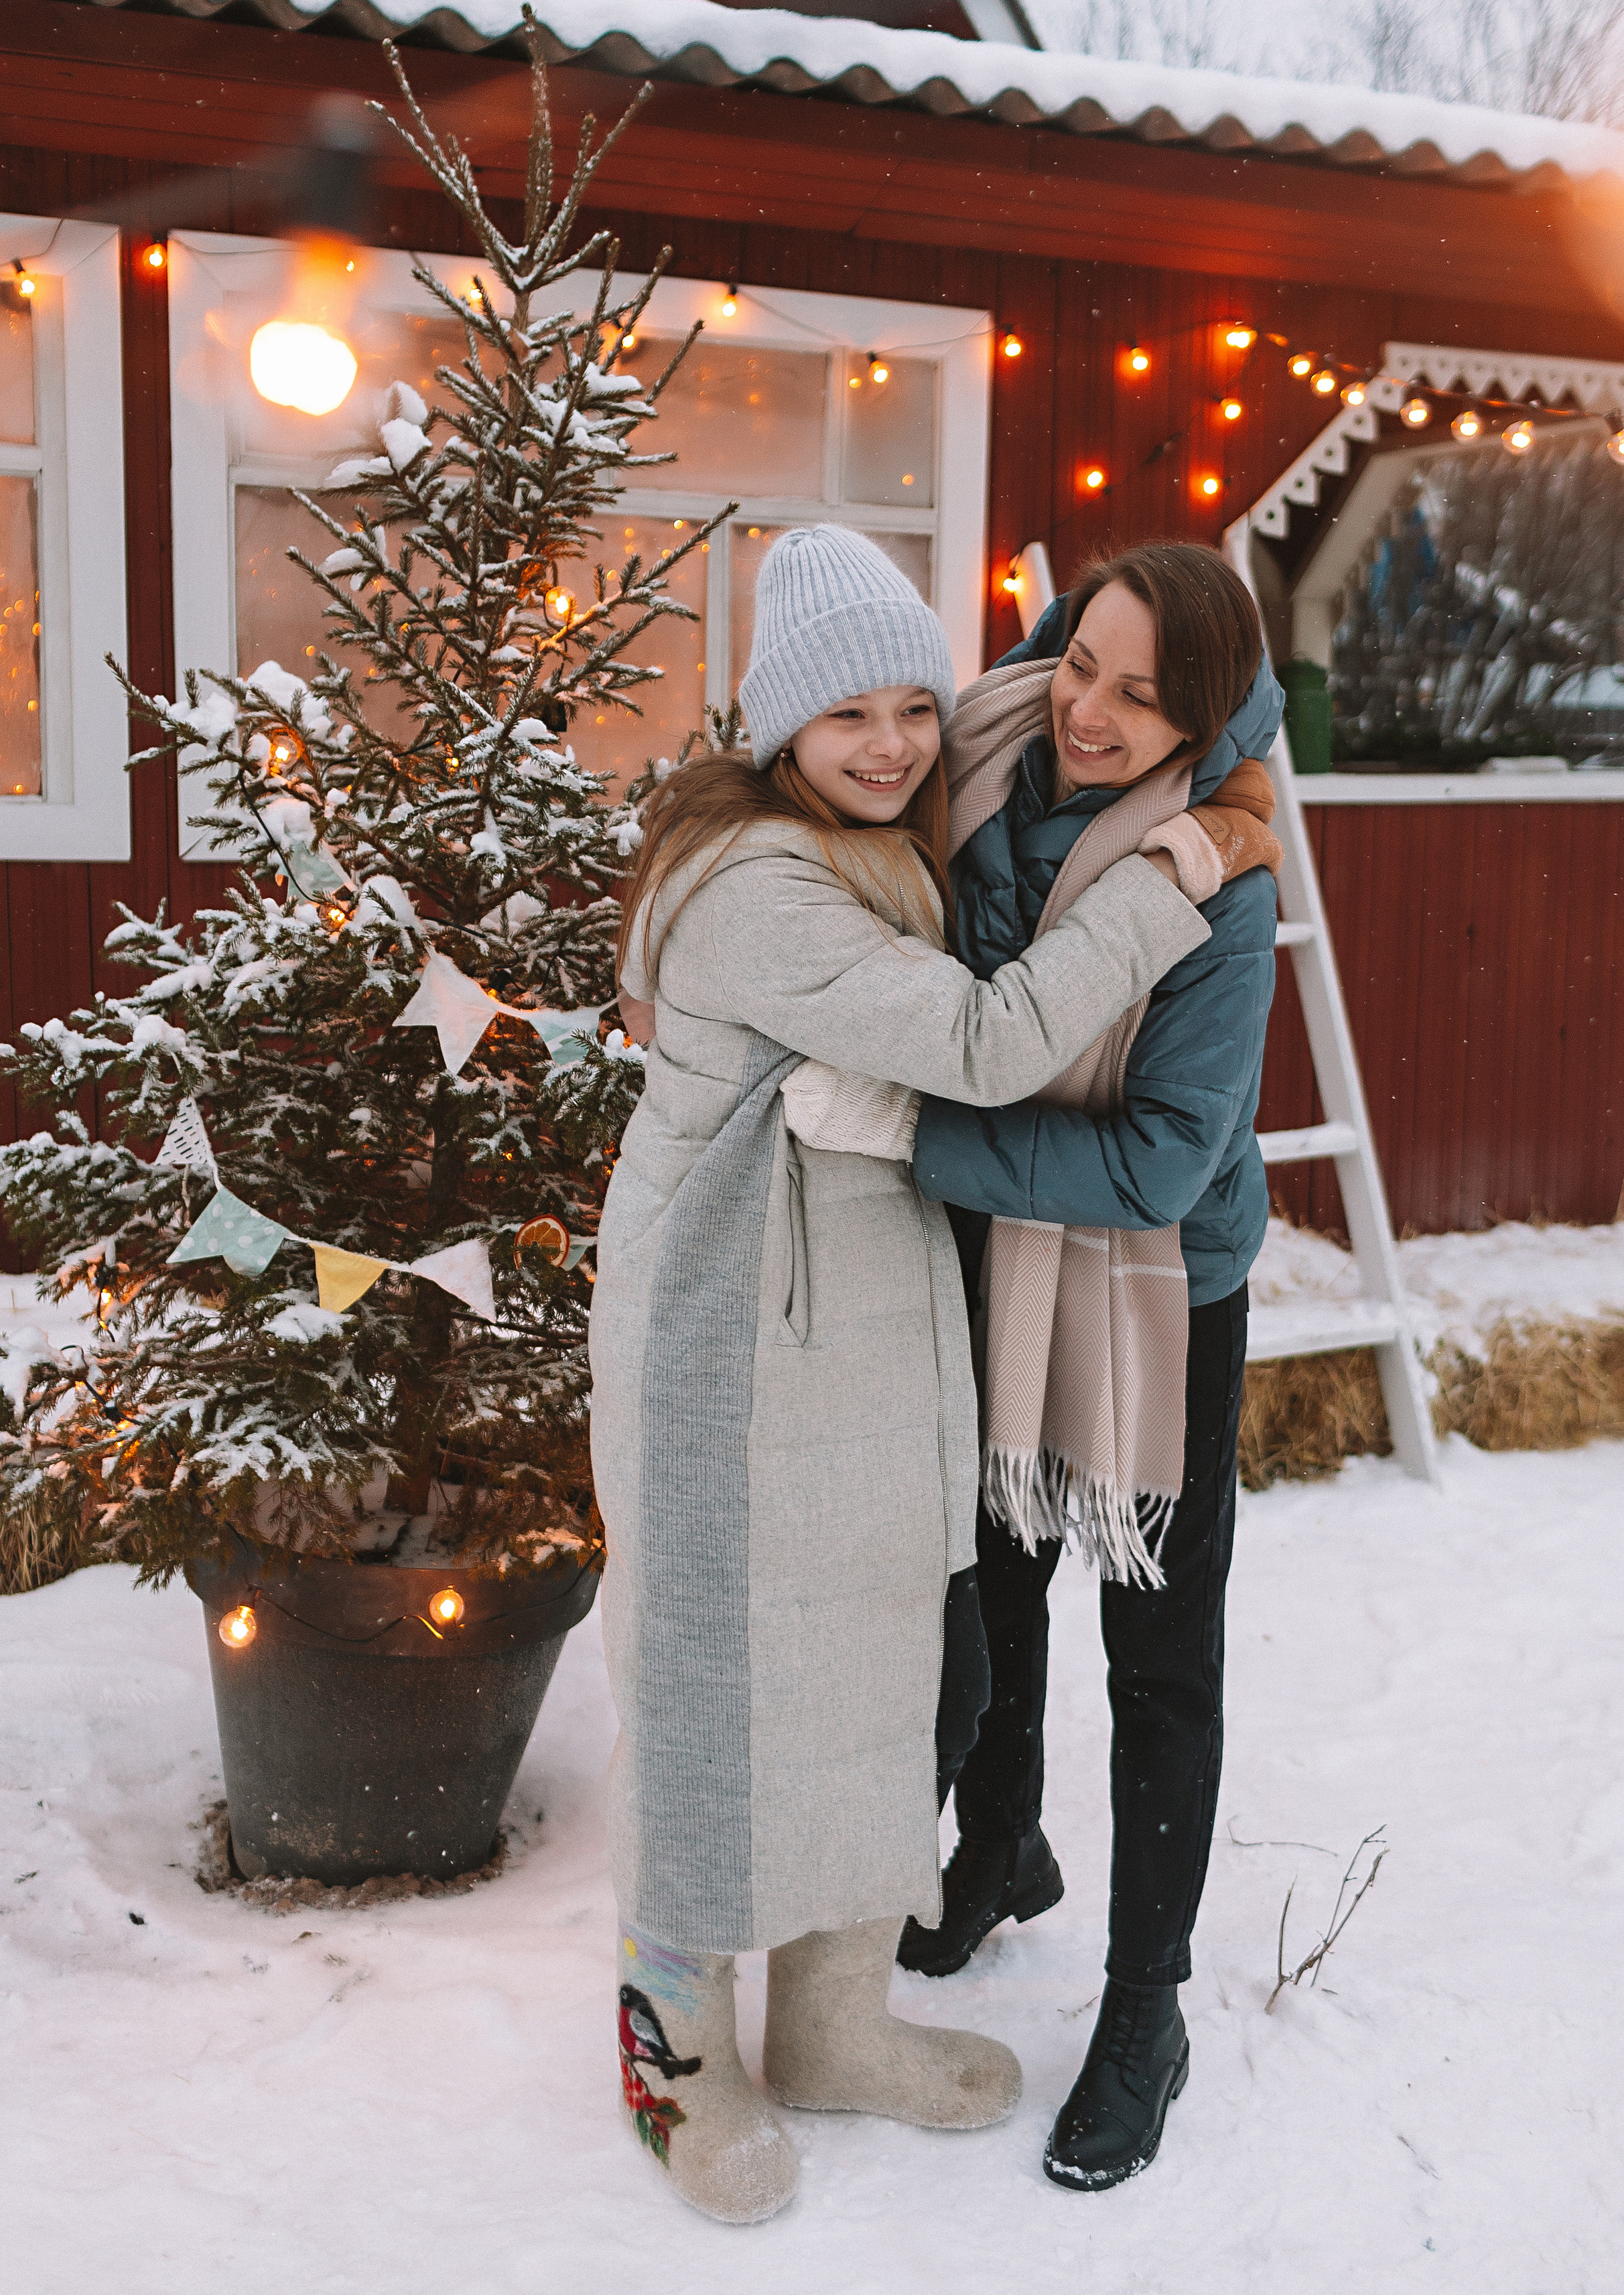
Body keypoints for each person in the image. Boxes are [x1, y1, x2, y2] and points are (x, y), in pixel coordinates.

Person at [590, 526, 1270, 2226]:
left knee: (888, 1660)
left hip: (1009, 1302)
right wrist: (1153, 882)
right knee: (713, 1669)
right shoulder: (777, 869)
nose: (899, 740)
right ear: (778, 729)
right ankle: (671, 2047)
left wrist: (917, 1131)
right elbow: (980, 1037)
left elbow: (1132, 1144)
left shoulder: (918, 829)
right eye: (849, 717)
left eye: (912, 701)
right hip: (739, 1322)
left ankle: (856, 2019)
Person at [896, 541, 1284, 2196]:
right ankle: (1000, 1841)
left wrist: (922, 1137)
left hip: (1149, 1294)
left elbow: (1155, 1168)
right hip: (997, 1255)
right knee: (989, 1579)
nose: (1091, 714)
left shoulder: (1222, 881)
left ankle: (1146, 2009)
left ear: (1199, 721)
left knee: (1155, 1649)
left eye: (1142, 697)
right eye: (1081, 667)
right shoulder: (976, 755)